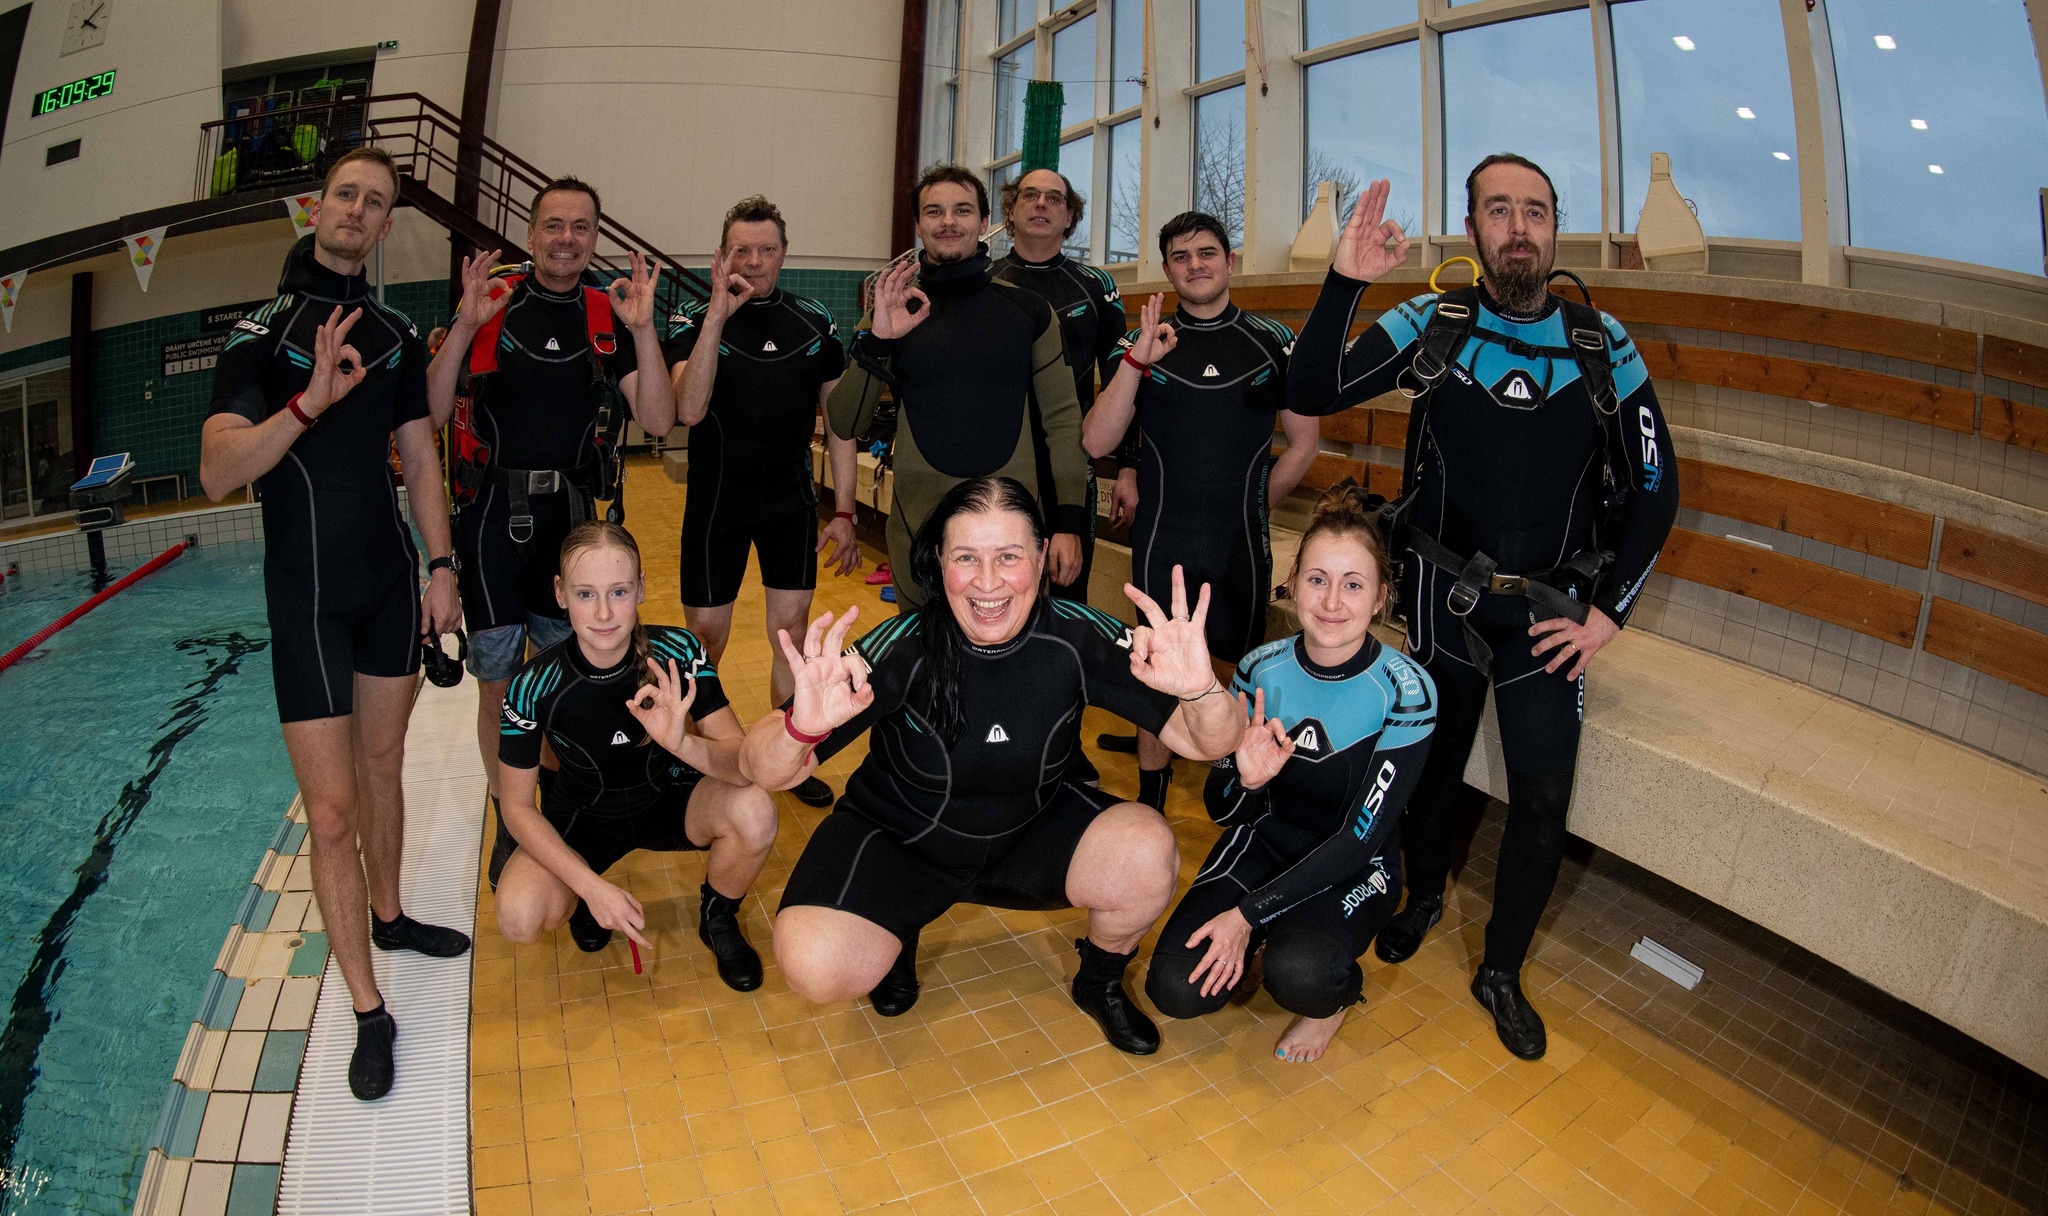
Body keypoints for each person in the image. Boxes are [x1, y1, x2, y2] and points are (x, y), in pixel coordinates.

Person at [1287, 164, 1679, 1059]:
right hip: (1441, 594)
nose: (1519, 227)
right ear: (1473, 228)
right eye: (1499, 210)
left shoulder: (1601, 342)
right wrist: (1344, 282)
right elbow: (1310, 391)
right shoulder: (1438, 320)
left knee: (1542, 802)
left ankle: (1501, 969)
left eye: (1535, 211)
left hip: (1551, 616)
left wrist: (1609, 614)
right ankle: (1425, 895)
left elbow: (1658, 488)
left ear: (1555, 229)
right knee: (1429, 777)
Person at [739, 476, 1246, 1053]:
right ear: (939, 562)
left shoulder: (1076, 636)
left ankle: (1098, 980)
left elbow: (1211, 742)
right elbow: (763, 769)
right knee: (813, 961)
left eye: (1008, 556)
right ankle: (897, 929)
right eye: (966, 558)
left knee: (1148, 851)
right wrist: (799, 727)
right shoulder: (903, 646)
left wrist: (1203, 689)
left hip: (1026, 831)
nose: (987, 582)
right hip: (903, 840)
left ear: (1041, 558)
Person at [200, 146, 468, 1101]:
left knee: (386, 767)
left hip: (390, 586)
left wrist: (442, 566)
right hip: (306, 597)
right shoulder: (259, 334)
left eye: (375, 201)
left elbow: (421, 459)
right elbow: (219, 471)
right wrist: (308, 404)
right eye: (345, 194)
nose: (358, 210)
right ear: (317, 208)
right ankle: (367, 1008)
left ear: (387, 225)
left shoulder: (393, 335)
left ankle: (390, 916)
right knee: (331, 812)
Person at [424, 176, 675, 883]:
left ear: (594, 237)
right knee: (498, 688)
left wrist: (644, 329)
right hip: (490, 523)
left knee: (574, 680)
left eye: (581, 227)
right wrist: (464, 326)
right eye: (554, 225)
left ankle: (571, 807)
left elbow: (659, 419)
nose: (567, 239)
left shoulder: (606, 315)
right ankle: (512, 818)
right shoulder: (493, 305)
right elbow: (432, 412)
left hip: (570, 524)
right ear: (531, 234)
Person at [1145, 485, 1434, 1063]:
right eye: (1317, 579)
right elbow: (1221, 810)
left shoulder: (1405, 691)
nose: (1332, 601)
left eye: (1354, 584)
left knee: (1300, 972)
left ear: (1381, 597)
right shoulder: (1259, 668)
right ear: (1294, 583)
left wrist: (1246, 916)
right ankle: (1268, 934)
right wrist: (1246, 781)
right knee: (1175, 985)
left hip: (1356, 864)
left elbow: (1359, 841)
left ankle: (1331, 999)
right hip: (1266, 845)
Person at [1081, 211, 1324, 812]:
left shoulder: (1272, 340)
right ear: (1167, 271)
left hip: (1241, 542)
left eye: (1207, 253)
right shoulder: (1140, 344)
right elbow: (1096, 441)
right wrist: (1137, 361)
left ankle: (1232, 779)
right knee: (1157, 659)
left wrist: (1256, 507)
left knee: (1238, 665)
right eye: (1181, 257)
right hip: (1164, 538)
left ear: (1229, 261)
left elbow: (1304, 443)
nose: (1195, 265)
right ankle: (1151, 801)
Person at [493, 522, 777, 989]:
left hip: (669, 799)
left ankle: (718, 916)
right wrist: (590, 887)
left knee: (757, 811)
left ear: (641, 588)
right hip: (584, 817)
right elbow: (518, 809)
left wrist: (681, 744)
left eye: (619, 592)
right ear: (560, 594)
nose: (604, 612)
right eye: (586, 594)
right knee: (519, 914)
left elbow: (742, 766)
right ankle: (583, 904)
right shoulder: (532, 686)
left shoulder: (679, 653)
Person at [665, 195, 856, 810]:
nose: (754, 261)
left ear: (783, 253)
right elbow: (687, 409)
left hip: (789, 503)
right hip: (716, 504)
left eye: (766, 249)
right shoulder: (692, 318)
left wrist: (845, 511)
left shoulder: (814, 321)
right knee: (704, 641)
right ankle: (696, 759)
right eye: (741, 250)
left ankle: (788, 757)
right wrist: (717, 318)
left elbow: (841, 424)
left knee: (791, 636)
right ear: (722, 256)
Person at [827, 164, 1087, 608]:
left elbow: (1062, 422)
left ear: (984, 223)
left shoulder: (1028, 311)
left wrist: (1069, 524)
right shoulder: (893, 310)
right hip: (918, 527)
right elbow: (845, 422)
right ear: (919, 224)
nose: (948, 221)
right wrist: (878, 340)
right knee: (927, 651)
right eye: (934, 211)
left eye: (962, 210)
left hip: (1010, 530)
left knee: (1011, 650)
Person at [992, 168, 1133, 603]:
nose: (1041, 204)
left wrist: (1128, 467)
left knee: (1068, 599)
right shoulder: (985, 281)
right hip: (994, 463)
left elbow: (1124, 383)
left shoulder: (1095, 287)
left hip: (1068, 469)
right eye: (1030, 195)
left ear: (1069, 216)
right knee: (997, 591)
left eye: (1054, 198)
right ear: (1010, 211)